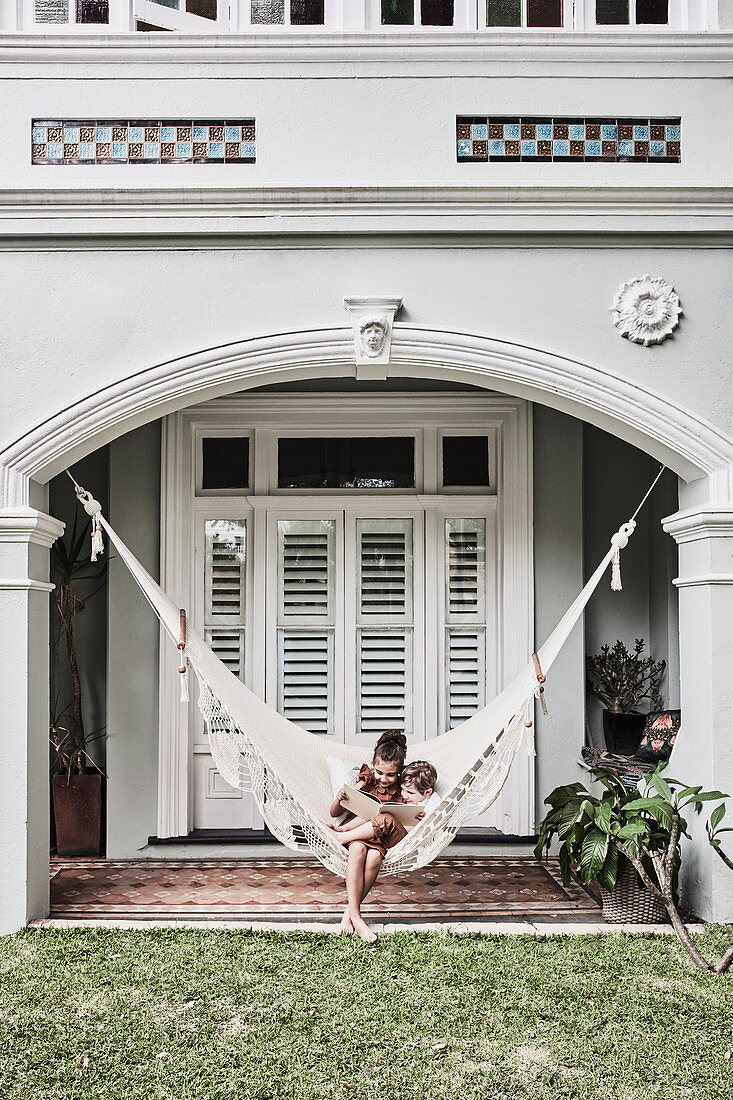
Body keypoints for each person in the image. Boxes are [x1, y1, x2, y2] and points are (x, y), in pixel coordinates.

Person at [327, 730, 407, 942]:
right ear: (373, 766)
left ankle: (350, 914)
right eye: (380, 772)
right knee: (358, 849)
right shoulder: (365, 781)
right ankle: (355, 915)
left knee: (374, 854)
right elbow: (334, 813)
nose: (384, 779)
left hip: (379, 837)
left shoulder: (401, 790)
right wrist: (339, 798)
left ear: (399, 772)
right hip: (356, 835)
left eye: (391, 775)